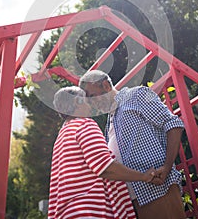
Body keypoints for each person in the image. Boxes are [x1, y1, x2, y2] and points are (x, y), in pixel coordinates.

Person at [79, 70, 186, 219]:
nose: (92, 103)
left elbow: (173, 124)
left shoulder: (136, 95)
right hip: (134, 201)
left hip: (158, 188)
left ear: (105, 85)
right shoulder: (109, 123)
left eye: (92, 96)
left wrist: (167, 167)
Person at [48, 86, 157, 219]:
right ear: (78, 102)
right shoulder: (84, 125)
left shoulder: (62, 136)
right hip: (91, 211)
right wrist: (144, 177)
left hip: (70, 212)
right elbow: (106, 167)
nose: (90, 105)